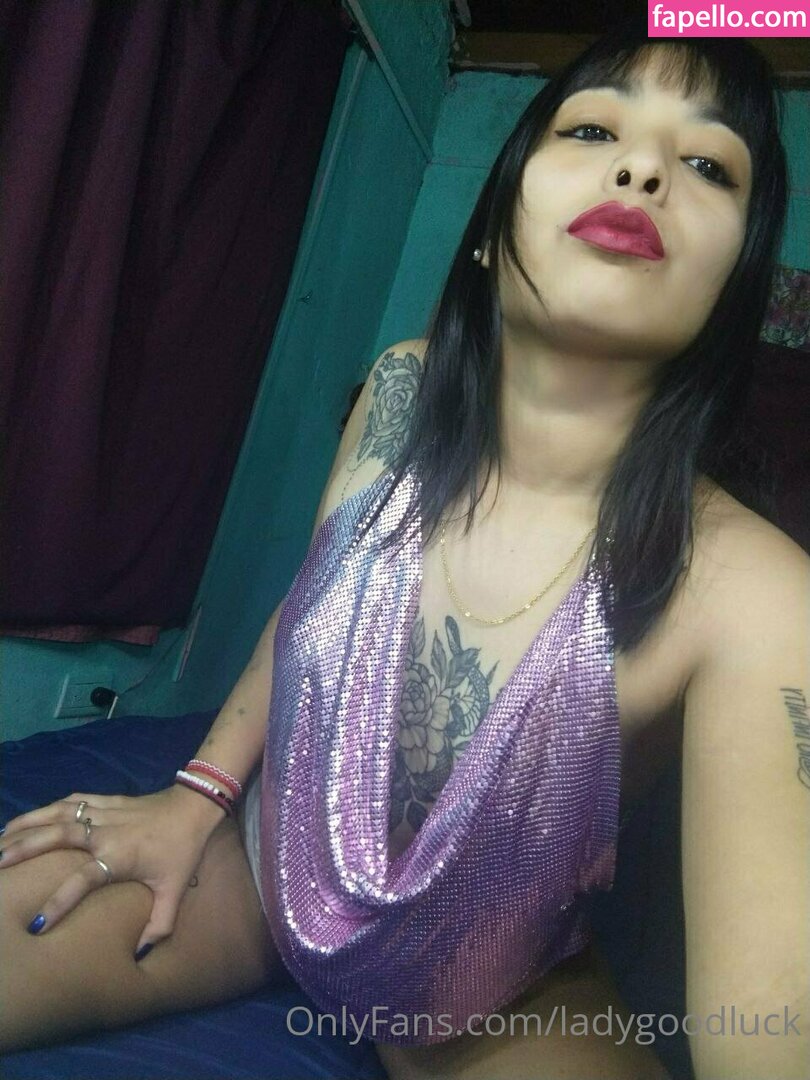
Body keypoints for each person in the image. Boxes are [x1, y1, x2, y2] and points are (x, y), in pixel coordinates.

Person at [1, 17, 808, 1080]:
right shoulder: (402, 387)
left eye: (708, 164)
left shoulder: (761, 597)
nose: (643, 167)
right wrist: (198, 792)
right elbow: (315, 602)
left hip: (493, 995)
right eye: (591, 131)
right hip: (257, 878)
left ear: (735, 285)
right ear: (491, 228)